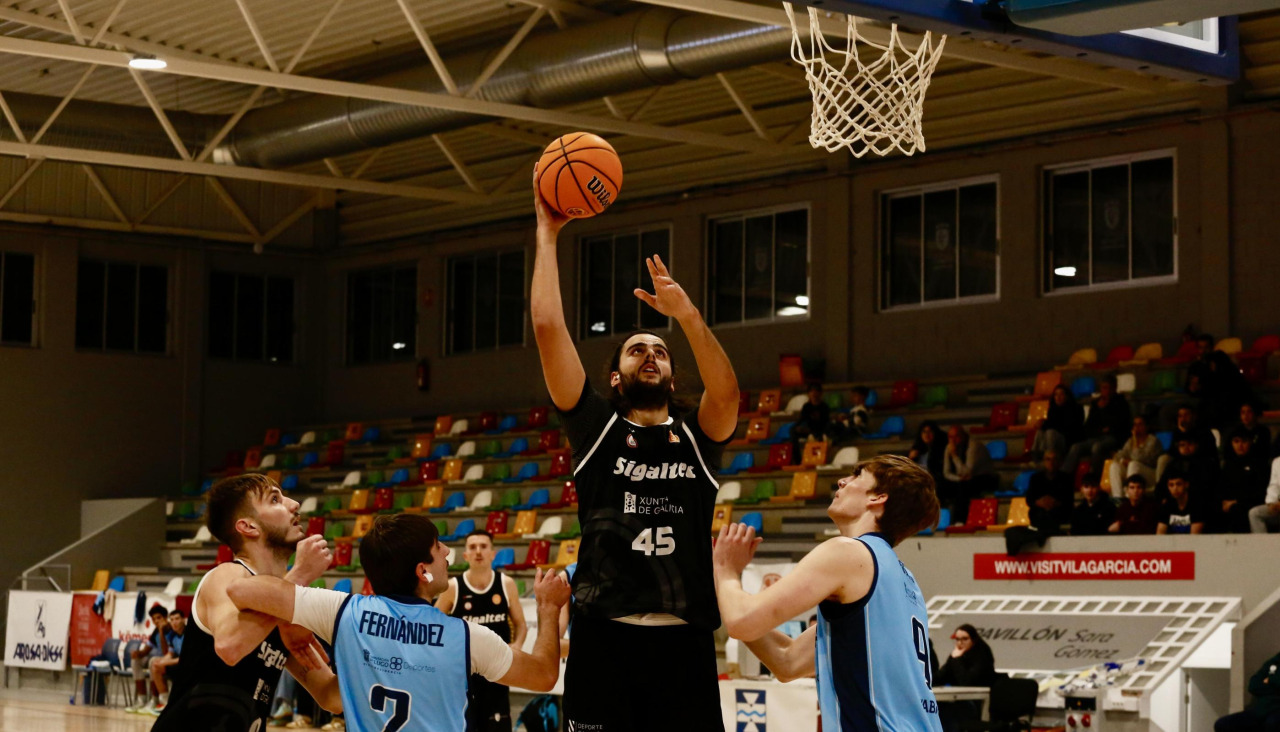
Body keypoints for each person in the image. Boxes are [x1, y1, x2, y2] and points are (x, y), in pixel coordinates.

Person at [531, 182, 740, 732]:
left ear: (673, 376)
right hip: (604, 635)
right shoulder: (597, 428)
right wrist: (547, 234)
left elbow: (728, 396)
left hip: (684, 640)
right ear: (617, 376)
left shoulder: (698, 435)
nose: (652, 354)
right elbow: (549, 330)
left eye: (661, 351)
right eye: (637, 349)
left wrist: (687, 316)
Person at [225, 513, 570, 732]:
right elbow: (543, 675)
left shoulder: (343, 611)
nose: (448, 553)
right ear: (422, 570)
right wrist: (548, 607)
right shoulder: (465, 637)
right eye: (438, 548)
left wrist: (290, 620)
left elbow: (241, 588)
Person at [713, 455, 943, 732]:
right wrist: (721, 587)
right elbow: (787, 660)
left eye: (858, 475)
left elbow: (742, 621)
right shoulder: (902, 576)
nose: (842, 480)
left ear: (878, 497)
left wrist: (725, 571)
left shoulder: (848, 552)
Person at [151, 473, 341, 732]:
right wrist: (300, 577)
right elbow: (230, 646)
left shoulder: (285, 604)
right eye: (275, 499)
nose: (294, 504)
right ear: (248, 526)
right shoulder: (227, 575)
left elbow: (330, 696)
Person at [434, 530, 529, 732]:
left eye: (483, 546)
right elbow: (433, 624)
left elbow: (521, 624)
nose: (478, 551)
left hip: (498, 673)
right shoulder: (453, 587)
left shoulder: (506, 584)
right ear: (465, 555)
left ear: (493, 553)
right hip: (463, 676)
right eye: (473, 547)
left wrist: (517, 646)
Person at [936, 624, 997, 732]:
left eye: (964, 639)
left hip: (978, 702)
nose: (960, 643)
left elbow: (966, 681)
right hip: (957, 699)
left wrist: (956, 659)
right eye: (957, 639)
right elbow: (941, 676)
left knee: (949, 712)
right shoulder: (957, 655)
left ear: (973, 640)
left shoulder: (982, 656)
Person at [1064, 375, 1131, 474]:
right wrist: (1100, 428)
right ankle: (1064, 475)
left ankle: (1094, 475)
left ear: (1114, 388)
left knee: (1097, 447)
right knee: (1076, 447)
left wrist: (1103, 410)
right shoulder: (1096, 404)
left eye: (1107, 388)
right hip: (1096, 436)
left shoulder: (1121, 403)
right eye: (1102, 388)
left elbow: (1118, 425)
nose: (1104, 391)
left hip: (1113, 438)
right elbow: (1088, 426)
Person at [1216, 427, 1271, 533]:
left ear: (1250, 442)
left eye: (1244, 441)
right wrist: (1223, 502)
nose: (1240, 445)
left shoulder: (1260, 465)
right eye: (1236, 441)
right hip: (1229, 504)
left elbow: (1261, 491)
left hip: (1250, 503)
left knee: (1238, 510)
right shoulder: (1228, 465)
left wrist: (1237, 501)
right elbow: (1221, 488)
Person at [943, 425, 999, 523]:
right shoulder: (949, 447)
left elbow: (967, 471)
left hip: (985, 478)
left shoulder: (973, 446)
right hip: (963, 479)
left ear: (963, 436)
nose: (953, 440)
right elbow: (946, 472)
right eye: (950, 437)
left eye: (956, 436)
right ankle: (940, 520)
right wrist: (959, 479)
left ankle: (960, 520)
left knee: (963, 487)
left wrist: (954, 456)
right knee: (941, 485)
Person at [1214, 648, 1280, 731]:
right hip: (1260, 710)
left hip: (1277, 710)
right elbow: (1254, 685)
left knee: (1272, 724)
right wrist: (1275, 686)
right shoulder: (1274, 662)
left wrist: (1269, 680)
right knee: (1222, 724)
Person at [125, 604, 170, 714]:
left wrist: (161, 632)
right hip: (160, 660)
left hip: (169, 660)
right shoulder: (155, 631)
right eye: (154, 619)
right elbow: (146, 651)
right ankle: (142, 699)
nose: (156, 621)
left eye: (159, 618)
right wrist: (138, 653)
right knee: (136, 661)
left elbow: (166, 652)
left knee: (153, 661)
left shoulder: (171, 629)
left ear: (165, 617)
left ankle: (154, 700)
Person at [1109, 415, 1162, 498]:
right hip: (1134, 470)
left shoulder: (1153, 440)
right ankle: (1118, 498)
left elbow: (1139, 458)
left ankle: (1129, 497)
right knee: (1114, 466)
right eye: (1135, 425)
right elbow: (1118, 456)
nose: (1136, 427)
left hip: (1150, 474)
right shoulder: (1130, 441)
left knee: (1133, 464)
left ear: (1146, 426)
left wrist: (1135, 443)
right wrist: (1123, 460)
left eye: (1140, 424)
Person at [145, 609, 187, 717]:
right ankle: (164, 702)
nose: (174, 622)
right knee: (155, 666)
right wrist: (161, 661)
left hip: (189, 666)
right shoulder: (172, 635)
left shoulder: (189, 634)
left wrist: (165, 663)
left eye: (177, 619)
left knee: (160, 665)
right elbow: (170, 653)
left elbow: (186, 658)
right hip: (177, 665)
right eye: (172, 620)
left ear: (183, 620)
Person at [1030, 385, 1085, 461]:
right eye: (1056, 394)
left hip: (1068, 440)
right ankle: (1036, 456)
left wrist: (1044, 423)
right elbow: (1051, 423)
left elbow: (1065, 426)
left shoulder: (1076, 408)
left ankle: (1051, 458)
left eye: (1061, 394)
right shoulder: (1053, 409)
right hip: (1053, 438)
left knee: (1050, 432)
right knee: (1040, 432)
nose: (1058, 397)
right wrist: (1043, 423)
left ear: (1067, 396)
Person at [1025, 451, 1074, 527]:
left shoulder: (1066, 478)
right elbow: (1029, 499)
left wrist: (1054, 503)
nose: (1051, 462)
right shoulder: (1035, 478)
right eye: (1048, 459)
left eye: (1054, 459)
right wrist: (1040, 502)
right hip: (1039, 514)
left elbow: (1069, 501)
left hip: (1059, 514)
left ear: (1060, 462)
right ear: (1044, 462)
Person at [1156, 470, 1207, 535]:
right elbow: (1160, 534)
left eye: (1178, 484)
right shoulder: (1167, 506)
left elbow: (1194, 537)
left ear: (1186, 484)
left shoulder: (1197, 505)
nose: (1175, 488)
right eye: (1171, 485)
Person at [792, 382, 832, 462]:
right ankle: (797, 461)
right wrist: (798, 427)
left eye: (816, 391)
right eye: (811, 391)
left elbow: (825, 423)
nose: (814, 394)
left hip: (820, 430)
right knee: (793, 432)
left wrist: (811, 430)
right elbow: (802, 419)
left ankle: (819, 459)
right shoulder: (806, 407)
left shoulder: (824, 407)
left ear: (820, 393)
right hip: (808, 430)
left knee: (822, 436)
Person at [908, 420, 947, 487]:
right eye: (924, 432)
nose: (927, 434)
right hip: (917, 480)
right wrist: (910, 458)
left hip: (934, 482)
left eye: (930, 431)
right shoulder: (916, 448)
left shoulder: (942, 449)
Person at [1249, 458, 1280, 534]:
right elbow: (1274, 485)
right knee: (1255, 513)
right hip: (1278, 506)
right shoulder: (1277, 462)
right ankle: (1262, 544)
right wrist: (1271, 502)